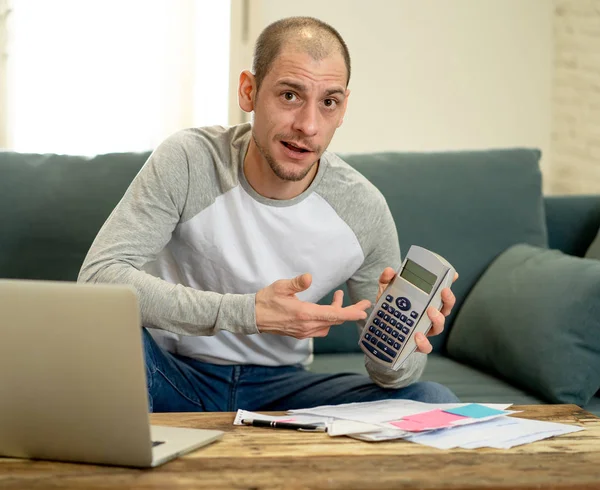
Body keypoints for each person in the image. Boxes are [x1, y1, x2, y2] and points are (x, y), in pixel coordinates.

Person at [78, 16, 459, 412]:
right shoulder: (190, 160)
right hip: (172, 375)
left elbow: (390, 376)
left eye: (328, 102)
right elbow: (97, 279)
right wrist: (249, 313)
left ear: (343, 108)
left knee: (433, 401)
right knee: (111, 339)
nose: (308, 125)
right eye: (290, 95)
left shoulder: (362, 207)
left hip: (283, 393)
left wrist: (403, 343)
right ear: (249, 91)